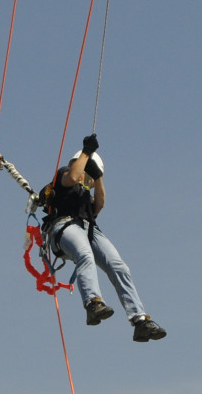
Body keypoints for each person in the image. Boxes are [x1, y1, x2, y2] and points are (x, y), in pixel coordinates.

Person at [41, 133, 167, 342]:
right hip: (63, 225)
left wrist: (98, 177)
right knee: (85, 255)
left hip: (88, 228)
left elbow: (99, 205)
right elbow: (72, 177)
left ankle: (139, 320)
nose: (86, 180)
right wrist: (86, 153)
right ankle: (92, 302)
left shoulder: (86, 192)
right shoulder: (64, 176)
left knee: (119, 266)